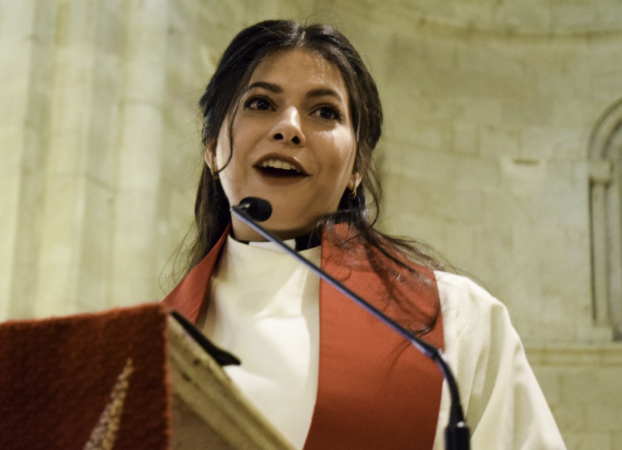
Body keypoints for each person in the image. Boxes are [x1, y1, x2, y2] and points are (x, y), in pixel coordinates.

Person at [161, 20, 566, 450]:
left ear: (357, 168)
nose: (289, 127)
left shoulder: (453, 319)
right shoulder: (149, 346)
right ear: (210, 147)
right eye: (260, 103)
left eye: (324, 112)